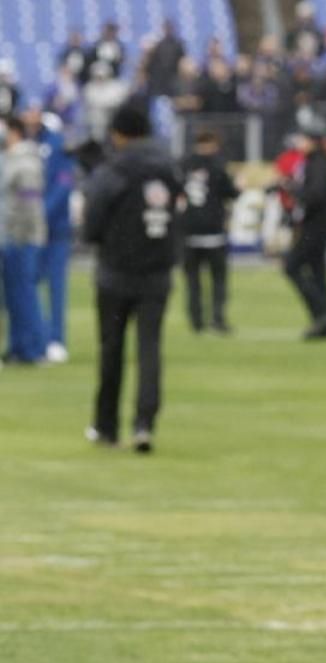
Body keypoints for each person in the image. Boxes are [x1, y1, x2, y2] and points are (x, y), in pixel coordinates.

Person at [81, 104, 181, 453]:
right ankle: (144, 424)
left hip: (115, 273)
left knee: (112, 349)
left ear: (119, 133)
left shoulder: (115, 170)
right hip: (157, 272)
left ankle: (106, 425)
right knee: (149, 348)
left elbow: (93, 221)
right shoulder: (168, 169)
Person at [178, 129, 240, 334]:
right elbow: (230, 193)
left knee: (193, 280)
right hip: (213, 231)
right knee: (218, 279)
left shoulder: (183, 164)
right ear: (213, 143)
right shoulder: (217, 165)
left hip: (188, 232)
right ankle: (218, 319)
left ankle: (196, 321)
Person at [2, 115, 49, 367]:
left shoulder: (26, 162)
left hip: (22, 237)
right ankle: (18, 347)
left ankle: (33, 348)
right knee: (13, 297)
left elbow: (30, 204)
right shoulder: (9, 160)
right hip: (10, 237)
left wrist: (23, 235)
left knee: (26, 294)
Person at [283, 122, 326, 340]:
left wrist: (294, 189)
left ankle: (320, 313)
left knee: (292, 266)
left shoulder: (318, 163)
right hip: (317, 224)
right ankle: (325, 322)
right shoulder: (315, 162)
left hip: (315, 224)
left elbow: (316, 194)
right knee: (317, 272)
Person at [35, 111, 78, 363]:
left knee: (55, 284)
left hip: (56, 228)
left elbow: (63, 186)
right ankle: (42, 336)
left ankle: (56, 338)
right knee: (31, 283)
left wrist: (41, 213)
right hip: (37, 226)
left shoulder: (60, 150)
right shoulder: (38, 148)